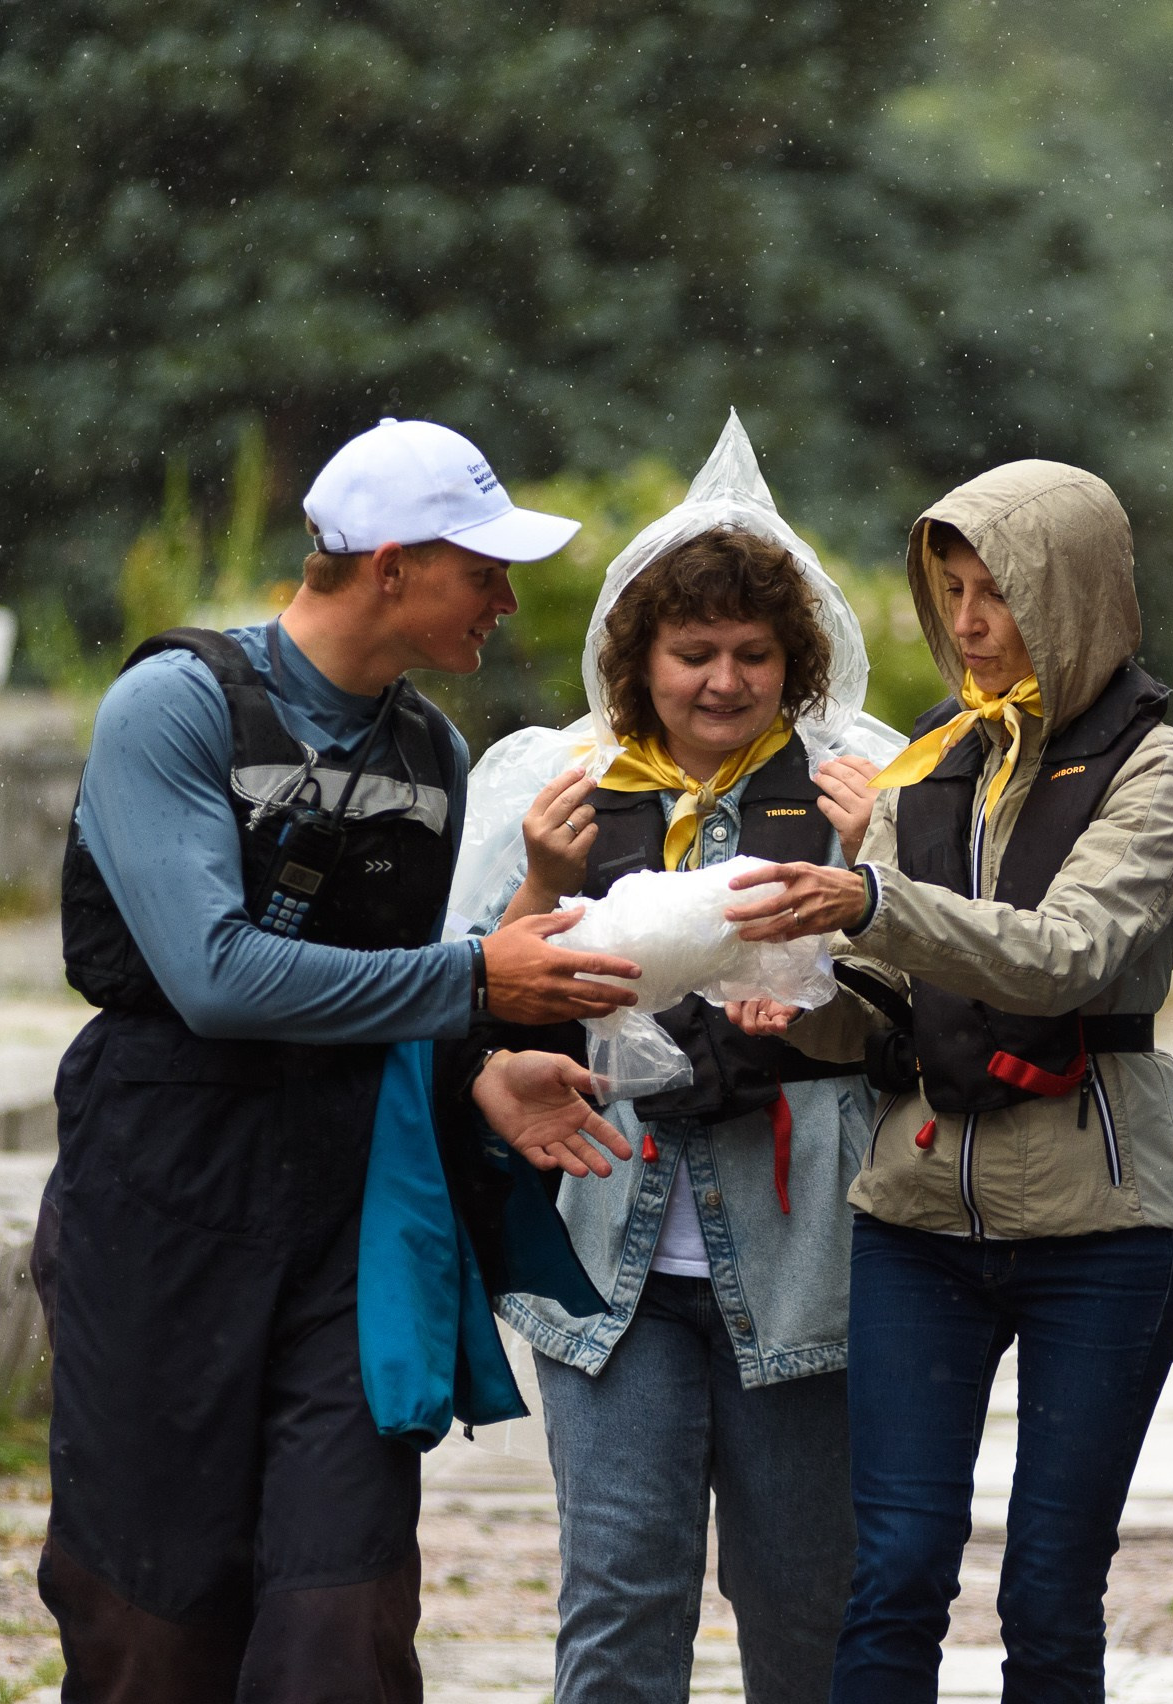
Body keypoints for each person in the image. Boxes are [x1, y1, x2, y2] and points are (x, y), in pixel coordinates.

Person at [40, 417, 644, 1701]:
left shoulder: (432, 754)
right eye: (480, 565)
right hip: (160, 1200)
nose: (504, 596)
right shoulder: (174, 705)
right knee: (152, 1623)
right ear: (389, 564)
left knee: (344, 1631)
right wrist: (478, 983)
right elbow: (216, 979)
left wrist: (477, 1070)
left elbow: (376, 1002)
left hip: (347, 1219)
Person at [723, 460, 1173, 1704]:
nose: (970, 623)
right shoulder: (930, 762)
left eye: (1001, 592)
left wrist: (873, 897)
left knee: (1050, 1589)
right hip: (917, 1222)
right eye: (949, 590)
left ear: (1078, 594)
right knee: (888, 1574)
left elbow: (1067, 957)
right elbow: (890, 1007)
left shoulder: (1158, 770)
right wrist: (796, 1010)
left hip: (1100, 1227)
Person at [445, 412, 903, 1704]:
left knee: (809, 1597)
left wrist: (867, 888)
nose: (722, 680)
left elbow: (925, 995)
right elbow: (473, 989)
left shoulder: (853, 787)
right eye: (692, 651)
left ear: (796, 661)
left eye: (753, 654)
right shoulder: (554, 790)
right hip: (606, 1259)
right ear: (632, 657)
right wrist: (541, 879)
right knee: (621, 1589)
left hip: (807, 1255)